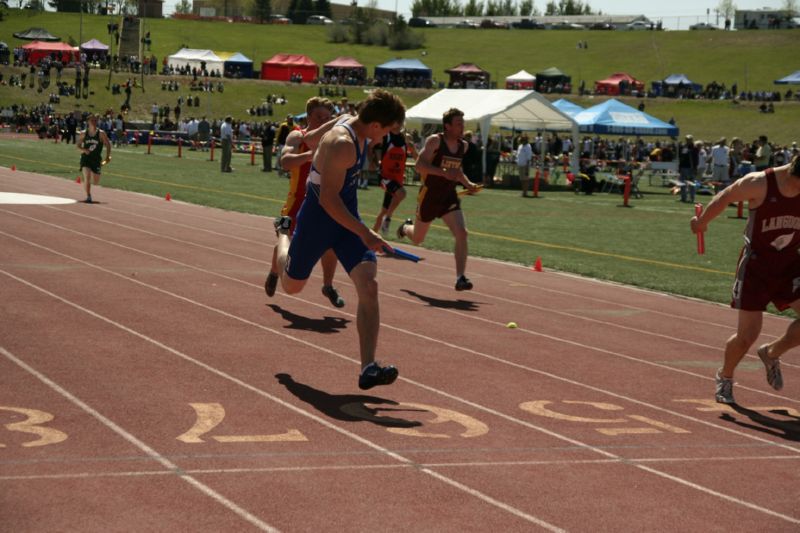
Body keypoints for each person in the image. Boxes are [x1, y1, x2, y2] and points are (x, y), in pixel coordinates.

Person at [272, 89, 406, 390]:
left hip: (345, 221)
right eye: (386, 130)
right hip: (318, 220)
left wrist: (359, 231)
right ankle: (283, 236)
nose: (385, 138)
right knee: (292, 286)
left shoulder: (355, 128)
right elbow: (328, 202)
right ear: (374, 125)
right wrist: (365, 232)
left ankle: (368, 367)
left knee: (369, 285)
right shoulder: (343, 144)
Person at [691, 155, 800, 404]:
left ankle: (771, 353)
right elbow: (727, 195)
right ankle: (725, 377)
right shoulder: (760, 183)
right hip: (756, 265)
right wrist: (702, 222)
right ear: (792, 172)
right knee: (747, 335)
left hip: (790, 262)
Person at [265, 97, 346, 308]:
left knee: (330, 245)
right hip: (295, 204)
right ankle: (275, 272)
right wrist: (311, 155)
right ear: (308, 116)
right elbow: (285, 162)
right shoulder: (297, 135)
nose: (324, 121)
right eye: (319, 117)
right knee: (285, 242)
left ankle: (328, 285)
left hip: (323, 203)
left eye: (328, 118)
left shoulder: (333, 140)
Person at [396, 108, 481, 291]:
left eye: (462, 123)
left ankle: (460, 278)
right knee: (418, 239)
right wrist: (443, 173)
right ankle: (405, 227)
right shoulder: (435, 141)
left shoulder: (463, 146)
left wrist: (468, 184)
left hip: (448, 196)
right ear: (447, 126)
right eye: (458, 123)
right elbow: (420, 166)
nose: (462, 127)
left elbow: (457, 171)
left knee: (462, 233)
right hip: (429, 195)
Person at [372, 125, 417, 236]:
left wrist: (411, 146)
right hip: (385, 177)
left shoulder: (406, 138)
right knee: (402, 193)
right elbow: (372, 146)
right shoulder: (385, 135)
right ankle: (387, 219)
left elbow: (417, 158)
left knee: (383, 210)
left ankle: (371, 237)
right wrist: (376, 161)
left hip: (397, 180)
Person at [76, 114, 111, 204]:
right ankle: (88, 196)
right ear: (88, 122)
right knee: (87, 177)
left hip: (96, 160)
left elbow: (108, 144)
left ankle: (88, 181)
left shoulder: (101, 133)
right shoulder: (84, 133)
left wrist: (108, 156)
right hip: (86, 159)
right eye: (92, 121)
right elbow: (78, 146)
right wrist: (84, 150)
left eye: (96, 121)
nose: (94, 122)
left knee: (95, 181)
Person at [678, 134, 699, 203]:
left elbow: (696, 159)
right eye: (687, 139)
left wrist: (695, 168)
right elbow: (681, 157)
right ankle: (683, 197)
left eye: (689, 139)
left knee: (691, 184)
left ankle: (692, 198)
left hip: (691, 168)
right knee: (682, 183)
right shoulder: (683, 147)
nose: (687, 141)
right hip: (683, 167)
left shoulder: (694, 148)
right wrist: (680, 167)